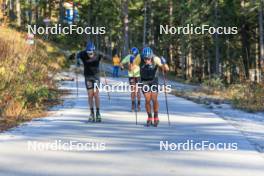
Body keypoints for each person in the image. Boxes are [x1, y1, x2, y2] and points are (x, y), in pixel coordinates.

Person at [76, 41, 106, 122]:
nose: (90, 55)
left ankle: (98, 113)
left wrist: (103, 57)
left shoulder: (97, 54)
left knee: (96, 95)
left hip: (96, 77)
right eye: (88, 53)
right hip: (88, 77)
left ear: (94, 51)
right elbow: (77, 55)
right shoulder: (83, 54)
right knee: (90, 95)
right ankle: (91, 113)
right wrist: (78, 60)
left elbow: (104, 56)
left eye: (91, 53)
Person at [140, 47, 169, 127]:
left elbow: (166, 69)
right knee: (147, 99)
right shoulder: (139, 59)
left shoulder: (156, 59)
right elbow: (132, 68)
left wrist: (164, 64)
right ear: (143, 57)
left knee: (154, 99)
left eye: (149, 58)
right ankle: (149, 117)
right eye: (145, 58)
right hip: (144, 81)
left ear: (151, 56)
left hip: (154, 80)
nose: (147, 60)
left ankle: (156, 115)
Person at [120, 47, 141, 112]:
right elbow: (121, 63)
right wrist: (122, 67)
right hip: (131, 76)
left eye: (135, 55)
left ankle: (138, 104)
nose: (133, 56)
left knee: (138, 91)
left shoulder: (139, 57)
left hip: (138, 75)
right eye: (132, 54)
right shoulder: (129, 56)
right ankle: (133, 104)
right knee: (133, 91)